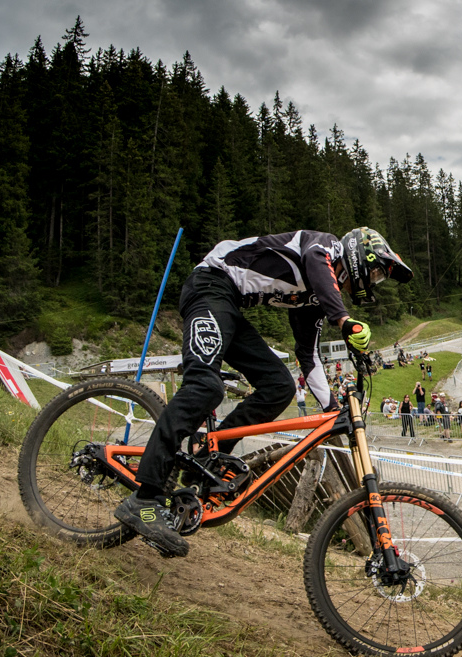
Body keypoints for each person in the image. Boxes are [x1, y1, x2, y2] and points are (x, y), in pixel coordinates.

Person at [115, 227, 411, 557]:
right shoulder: (324, 248)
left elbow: (308, 355)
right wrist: (342, 320)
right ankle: (145, 498)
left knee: (280, 386)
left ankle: (205, 461)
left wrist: (332, 408)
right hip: (210, 286)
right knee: (204, 386)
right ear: (358, 256)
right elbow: (316, 261)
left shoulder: (313, 295)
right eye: (375, 273)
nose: (373, 282)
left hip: (229, 306)